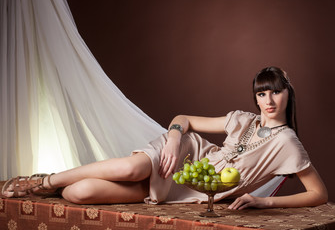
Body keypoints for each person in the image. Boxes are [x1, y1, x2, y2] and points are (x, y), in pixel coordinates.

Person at [2, 66, 328, 210]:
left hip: (193, 189)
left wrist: (262, 200)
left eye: (276, 92)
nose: (268, 101)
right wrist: (174, 137)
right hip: (186, 154)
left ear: (288, 94)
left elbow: (318, 194)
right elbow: (183, 120)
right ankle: (42, 182)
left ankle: (56, 186)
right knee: (132, 169)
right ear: (256, 98)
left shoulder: (288, 143)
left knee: (77, 194)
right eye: (262, 94)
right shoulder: (242, 119)